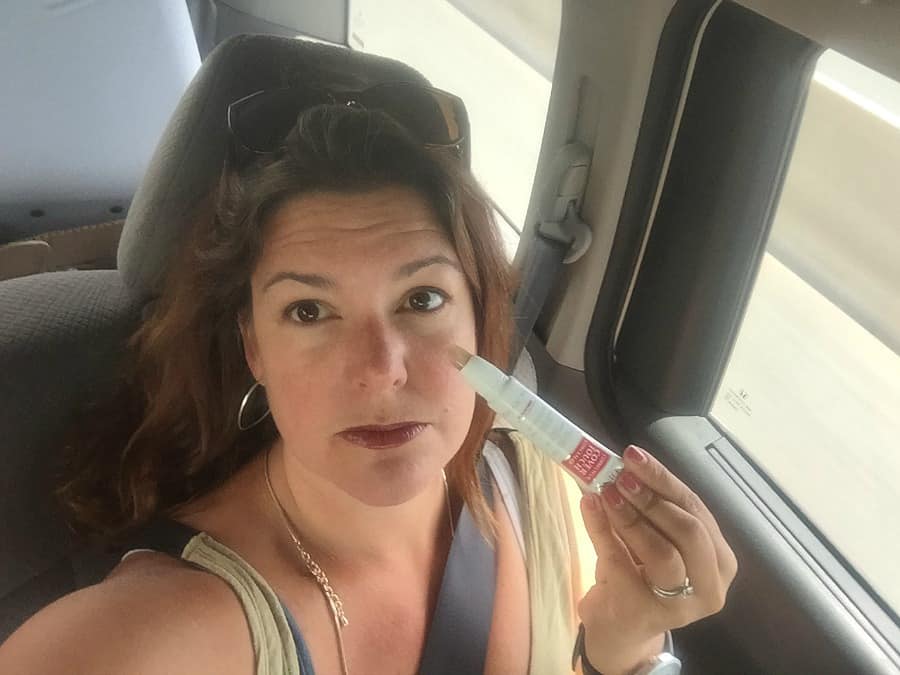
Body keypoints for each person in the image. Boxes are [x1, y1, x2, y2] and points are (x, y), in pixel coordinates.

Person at [0, 84, 737, 675]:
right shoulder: (143, 640)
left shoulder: (555, 497)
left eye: (422, 299)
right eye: (310, 311)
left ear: (480, 319)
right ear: (254, 348)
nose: (382, 370)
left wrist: (626, 645)